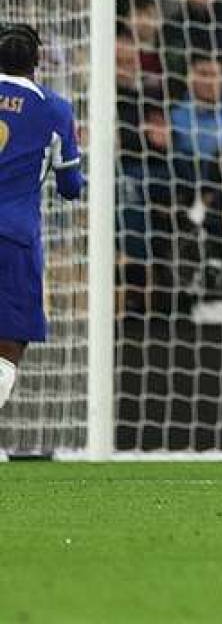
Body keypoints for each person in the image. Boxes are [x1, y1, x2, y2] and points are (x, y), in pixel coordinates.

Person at [0, 24, 84, 429]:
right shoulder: (54, 109)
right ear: (37, 61)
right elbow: (70, 188)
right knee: (8, 344)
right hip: (13, 235)